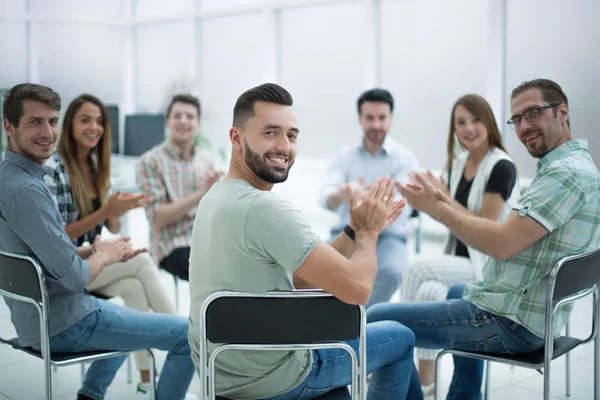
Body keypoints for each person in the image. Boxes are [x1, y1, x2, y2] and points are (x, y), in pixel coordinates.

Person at [367, 78, 600, 399]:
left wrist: (436, 208)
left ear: (562, 112)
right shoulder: (570, 166)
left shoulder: (563, 174)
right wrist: (440, 200)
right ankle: (464, 395)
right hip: (524, 309)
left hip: (512, 323)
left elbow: (501, 244)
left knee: (378, 319)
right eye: (517, 119)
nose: (523, 127)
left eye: (532, 113)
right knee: (457, 289)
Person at [188, 83, 420, 400]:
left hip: (220, 374)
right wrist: (368, 234)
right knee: (401, 338)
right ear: (236, 138)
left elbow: (300, 278)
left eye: (292, 135)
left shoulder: (216, 196)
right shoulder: (264, 208)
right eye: (270, 133)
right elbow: (359, 289)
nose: (284, 145)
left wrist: (353, 228)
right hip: (277, 379)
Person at [0, 83, 195, 400]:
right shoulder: (28, 190)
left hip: (47, 315)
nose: (48, 131)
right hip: (64, 321)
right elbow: (76, 275)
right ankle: (154, 365)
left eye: (52, 121)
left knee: (129, 308)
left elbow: (42, 252)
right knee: (188, 336)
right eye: (35, 121)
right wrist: (102, 255)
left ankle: (91, 393)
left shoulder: (11, 177)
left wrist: (94, 249)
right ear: (9, 127)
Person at [43, 93, 178, 395]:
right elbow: (56, 236)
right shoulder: (55, 167)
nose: (95, 127)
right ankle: (186, 339)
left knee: (135, 291)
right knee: (142, 263)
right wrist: (105, 211)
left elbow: (109, 225)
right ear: (69, 125)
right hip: (69, 268)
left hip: (91, 260)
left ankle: (133, 381)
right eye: (85, 119)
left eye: (100, 121)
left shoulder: (94, 165)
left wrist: (117, 211)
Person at [400, 94, 518, 395]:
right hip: (461, 258)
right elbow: (450, 219)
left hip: (489, 261)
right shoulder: (459, 163)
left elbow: (488, 228)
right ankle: (427, 379)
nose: (469, 128)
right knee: (425, 289)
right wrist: (430, 198)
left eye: (476, 120)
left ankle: (418, 373)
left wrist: (443, 201)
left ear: (489, 122)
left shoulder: (501, 166)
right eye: (461, 122)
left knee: (415, 270)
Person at [320, 88, 419, 308]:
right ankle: (337, 322)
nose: (376, 124)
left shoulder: (405, 159)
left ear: (391, 117)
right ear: (360, 119)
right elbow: (325, 197)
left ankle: (361, 322)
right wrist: (341, 194)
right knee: (318, 271)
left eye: (382, 118)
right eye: (370, 118)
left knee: (391, 272)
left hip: (389, 237)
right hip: (347, 233)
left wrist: (366, 199)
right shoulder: (344, 156)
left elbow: (404, 204)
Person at [137, 94, 223, 281]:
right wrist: (202, 192)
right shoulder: (151, 161)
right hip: (171, 245)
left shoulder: (208, 160)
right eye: (177, 116)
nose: (183, 121)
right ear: (167, 122)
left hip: (207, 240)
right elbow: (157, 217)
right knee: (214, 273)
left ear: (198, 124)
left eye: (190, 116)